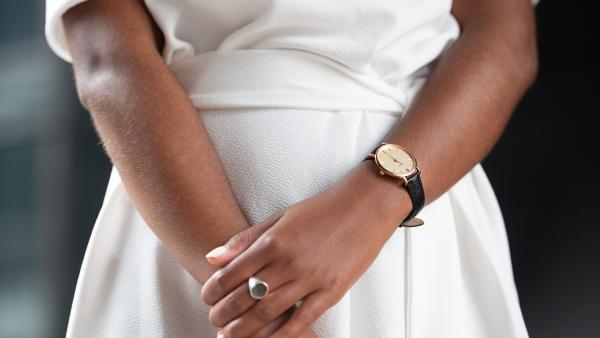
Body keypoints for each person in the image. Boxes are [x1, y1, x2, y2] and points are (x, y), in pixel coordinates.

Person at [44, 0, 539, 337]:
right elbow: (110, 58)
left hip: (407, 219)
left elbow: (502, 35)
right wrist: (257, 305)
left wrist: (374, 205)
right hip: (185, 233)